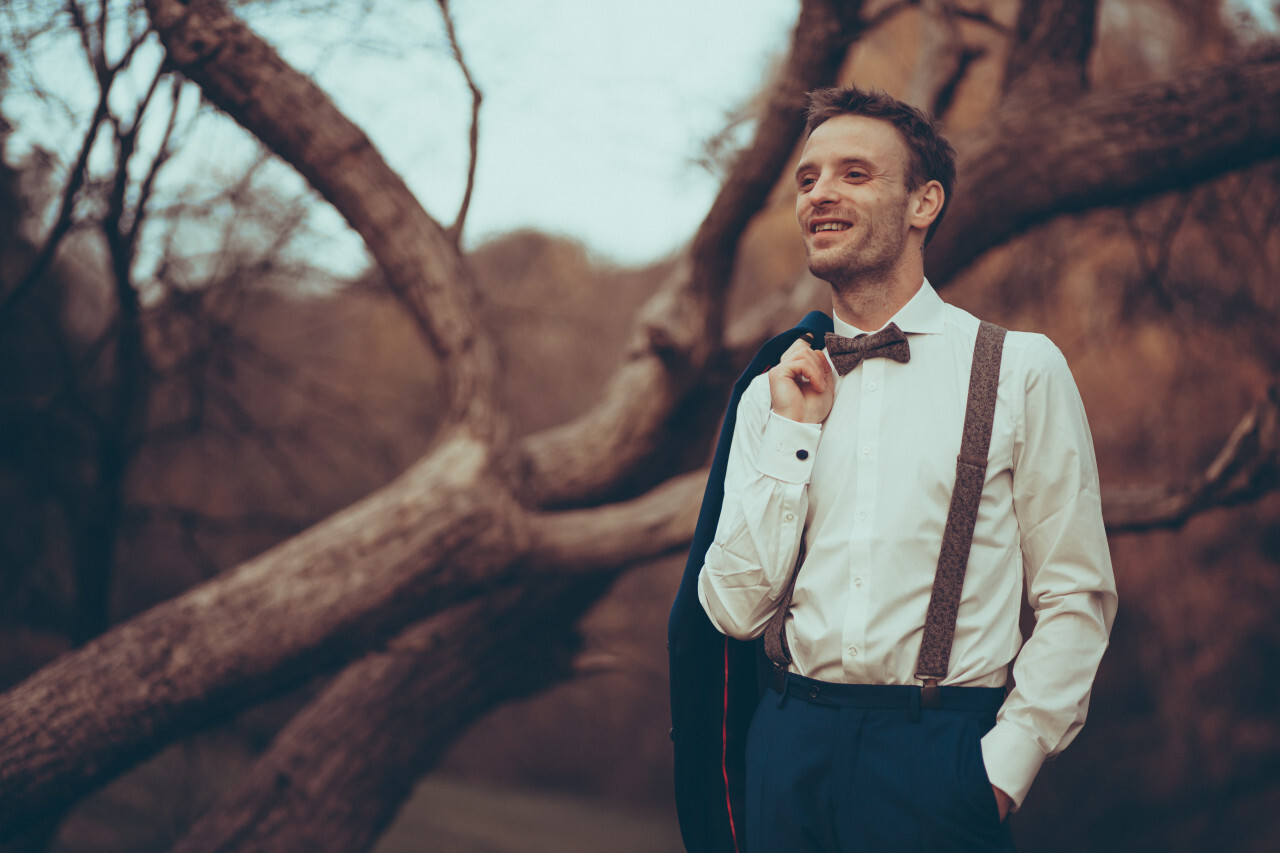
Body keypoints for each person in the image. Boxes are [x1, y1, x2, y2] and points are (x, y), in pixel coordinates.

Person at [673, 86, 1117, 852]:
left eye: (854, 173)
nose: (820, 195)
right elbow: (734, 611)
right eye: (808, 179)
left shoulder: (1019, 370)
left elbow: (1076, 596)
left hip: (936, 760)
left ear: (923, 203)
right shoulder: (770, 392)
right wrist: (789, 435)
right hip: (786, 747)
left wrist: (1002, 769)